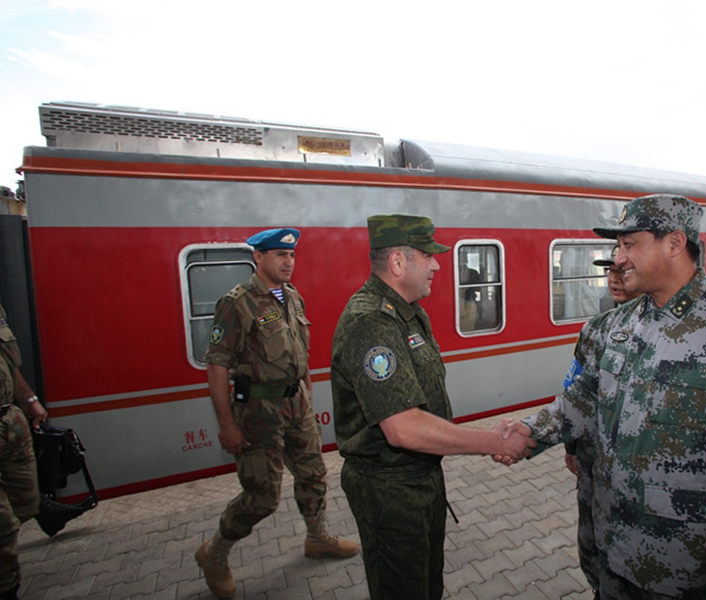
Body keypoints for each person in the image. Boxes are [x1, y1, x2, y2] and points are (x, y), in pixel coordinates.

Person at [504, 194, 706, 599]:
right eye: (617, 246)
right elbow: (583, 400)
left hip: (685, 567)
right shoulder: (614, 326)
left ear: (674, 244)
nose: (617, 258)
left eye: (628, 244)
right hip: (613, 549)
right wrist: (529, 430)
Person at [330, 213, 536, 600]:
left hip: (419, 480)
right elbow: (403, 428)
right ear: (397, 263)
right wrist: (495, 442)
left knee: (427, 587)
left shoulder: (408, 312)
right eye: (427, 255)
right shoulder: (371, 322)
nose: (438, 264)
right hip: (389, 490)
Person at [196, 228, 358, 599]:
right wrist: (226, 424)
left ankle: (317, 537)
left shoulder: (292, 299)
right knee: (262, 498)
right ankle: (215, 553)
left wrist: (308, 400)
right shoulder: (237, 303)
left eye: (292, 256)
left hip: (295, 404)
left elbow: (301, 357)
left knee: (314, 473)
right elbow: (217, 365)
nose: (288, 262)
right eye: (279, 255)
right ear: (259, 258)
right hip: (257, 411)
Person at [561, 249, 641, 598]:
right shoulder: (596, 329)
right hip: (595, 462)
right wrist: (572, 446)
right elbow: (574, 389)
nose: (613, 278)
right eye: (609, 270)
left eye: (623, 271)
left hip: (638, 478)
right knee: (592, 543)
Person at [0, 302, 49, 600]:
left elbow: (8, 362)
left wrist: (28, 398)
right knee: (3, 525)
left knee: (26, 505)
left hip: (9, 421)